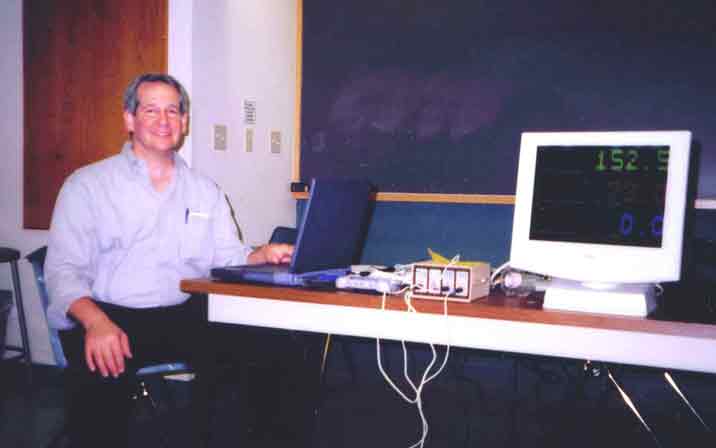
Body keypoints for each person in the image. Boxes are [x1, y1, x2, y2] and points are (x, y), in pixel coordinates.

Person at [44, 73, 293, 447]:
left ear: (184, 122)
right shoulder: (87, 185)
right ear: (129, 120)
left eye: (173, 111)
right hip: (109, 313)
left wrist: (261, 255)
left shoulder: (205, 190)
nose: (164, 121)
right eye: (151, 110)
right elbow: (63, 271)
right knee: (99, 398)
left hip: (179, 311)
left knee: (268, 348)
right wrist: (95, 322)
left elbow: (228, 257)